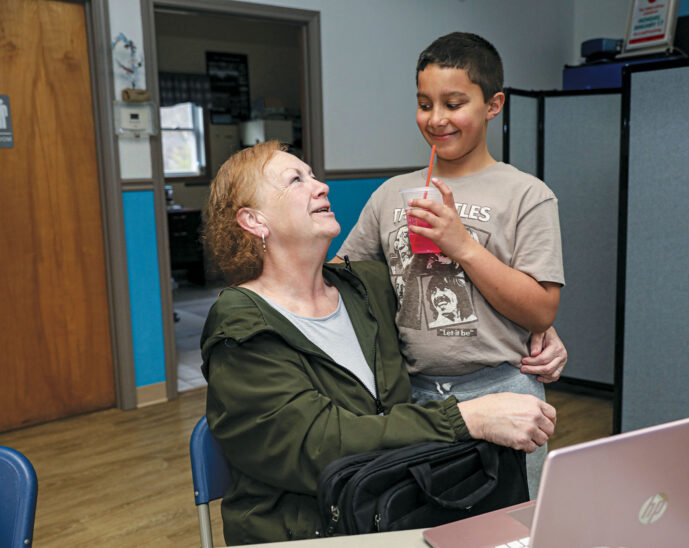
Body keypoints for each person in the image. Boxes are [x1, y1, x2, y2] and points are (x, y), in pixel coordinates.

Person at [200, 141, 557, 545]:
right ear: (253, 220)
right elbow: (320, 444)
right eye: (295, 180)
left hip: (388, 508)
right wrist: (466, 419)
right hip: (306, 530)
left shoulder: (366, 287)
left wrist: (533, 329)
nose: (321, 187)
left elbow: (444, 308)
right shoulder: (240, 324)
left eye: (314, 175)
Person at [335, 32, 566, 497]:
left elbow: (541, 311)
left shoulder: (526, 195)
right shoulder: (388, 195)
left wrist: (462, 245)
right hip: (411, 396)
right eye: (424, 104)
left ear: (493, 104)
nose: (436, 119)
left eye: (454, 103)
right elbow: (343, 279)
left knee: (509, 527)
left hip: (503, 388)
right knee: (421, 523)